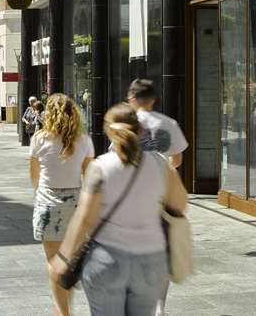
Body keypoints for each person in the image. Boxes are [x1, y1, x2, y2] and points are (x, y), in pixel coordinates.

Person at [51, 103, 189, 316]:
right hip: (150, 260)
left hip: (107, 259)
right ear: (140, 130)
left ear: (108, 131)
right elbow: (180, 204)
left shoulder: (100, 166)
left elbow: (85, 219)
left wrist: (63, 256)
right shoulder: (160, 164)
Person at [29, 94, 95, 316]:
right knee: (70, 261)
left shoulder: (39, 138)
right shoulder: (84, 140)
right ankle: (66, 306)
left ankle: (63, 311)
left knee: (53, 260)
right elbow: (90, 176)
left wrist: (40, 193)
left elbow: (34, 175)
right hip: (75, 203)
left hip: (48, 201)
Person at [126, 79, 188, 168]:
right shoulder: (170, 123)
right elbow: (177, 160)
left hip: (132, 177)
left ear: (133, 99)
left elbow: (116, 156)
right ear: (153, 100)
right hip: (161, 179)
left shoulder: (126, 123)